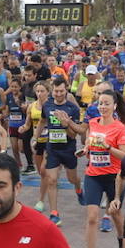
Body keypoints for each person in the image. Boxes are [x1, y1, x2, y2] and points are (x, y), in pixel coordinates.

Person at [80, 90, 125, 248]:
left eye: (107, 103)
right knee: (93, 217)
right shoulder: (93, 123)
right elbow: (89, 141)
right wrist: (86, 149)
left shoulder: (120, 128)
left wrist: (108, 147)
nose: (103, 107)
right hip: (93, 174)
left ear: (115, 106)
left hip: (114, 177)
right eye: (100, 103)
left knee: (116, 213)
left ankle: (121, 239)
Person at [40, 78, 84, 225]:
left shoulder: (73, 108)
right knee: (51, 179)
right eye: (56, 91)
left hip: (68, 149)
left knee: (72, 179)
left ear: (66, 90)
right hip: (52, 149)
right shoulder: (47, 105)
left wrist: (65, 125)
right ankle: (54, 213)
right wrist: (36, 136)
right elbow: (43, 121)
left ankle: (78, 188)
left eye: (61, 91)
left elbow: (73, 135)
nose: (58, 94)